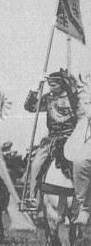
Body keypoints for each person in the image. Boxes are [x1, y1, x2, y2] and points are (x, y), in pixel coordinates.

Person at [22, 71, 78, 211]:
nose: (51, 88)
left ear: (61, 84)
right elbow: (30, 107)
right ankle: (33, 198)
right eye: (49, 85)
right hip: (51, 140)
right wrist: (36, 88)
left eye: (54, 85)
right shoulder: (48, 98)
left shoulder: (73, 99)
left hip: (71, 138)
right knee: (35, 165)